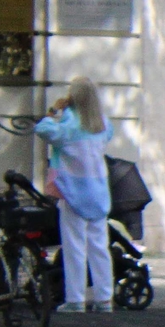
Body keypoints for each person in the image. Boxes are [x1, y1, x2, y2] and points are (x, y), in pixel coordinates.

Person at [33, 77, 113, 311]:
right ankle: (104, 298)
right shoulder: (104, 126)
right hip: (98, 192)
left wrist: (55, 109)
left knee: (74, 247)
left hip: (73, 192)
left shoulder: (67, 129)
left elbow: (42, 128)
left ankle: (75, 299)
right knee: (100, 247)